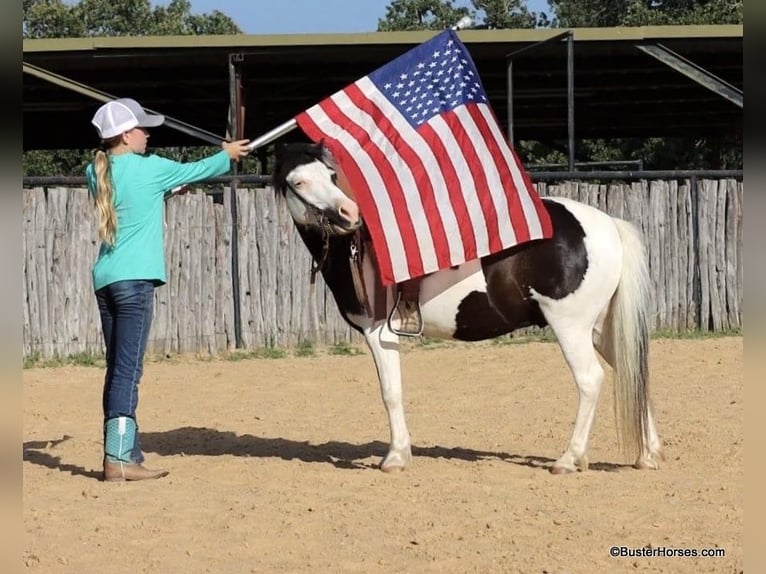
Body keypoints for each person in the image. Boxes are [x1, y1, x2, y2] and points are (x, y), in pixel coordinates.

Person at [86, 97, 250, 482]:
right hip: (136, 282)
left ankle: (123, 450)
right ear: (125, 135)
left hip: (107, 279)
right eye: (142, 129)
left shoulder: (97, 170)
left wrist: (165, 192)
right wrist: (226, 153)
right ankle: (120, 458)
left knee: (117, 370)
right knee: (128, 372)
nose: (147, 135)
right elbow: (198, 169)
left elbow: (134, 195)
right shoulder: (152, 168)